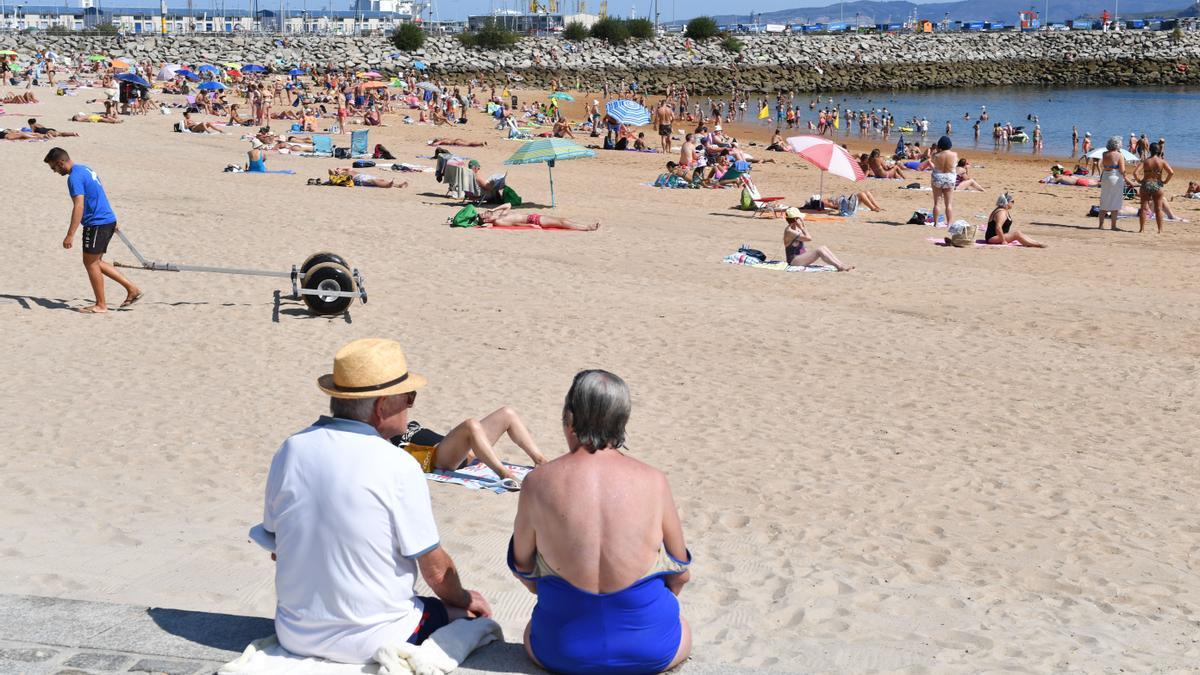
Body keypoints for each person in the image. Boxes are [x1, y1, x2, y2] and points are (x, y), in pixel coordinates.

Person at [261, 338, 493, 664]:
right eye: (409, 398)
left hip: (296, 633)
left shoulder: (291, 449)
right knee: (466, 615)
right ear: (381, 406)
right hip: (375, 639)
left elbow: (274, 543)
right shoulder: (397, 464)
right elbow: (436, 573)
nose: (411, 406)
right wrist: (467, 598)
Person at [510, 370, 692, 674]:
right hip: (650, 650)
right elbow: (680, 572)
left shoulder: (537, 483)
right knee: (681, 627)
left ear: (569, 417)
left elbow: (524, 570)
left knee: (533, 630)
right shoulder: (654, 481)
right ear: (622, 421)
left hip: (562, 650)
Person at [43, 148, 143, 313]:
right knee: (96, 262)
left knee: (90, 262)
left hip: (96, 224)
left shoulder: (74, 178)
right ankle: (132, 289)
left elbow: (79, 205)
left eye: (54, 168)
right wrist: (113, 218)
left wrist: (70, 235)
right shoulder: (85, 169)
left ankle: (101, 305)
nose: (55, 171)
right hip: (107, 220)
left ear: (61, 163)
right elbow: (99, 193)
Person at [393, 406, 547, 490]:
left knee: (507, 413)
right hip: (436, 457)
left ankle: (541, 461)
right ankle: (504, 474)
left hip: (460, 451)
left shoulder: (403, 423)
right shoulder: (381, 437)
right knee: (470, 424)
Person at [782, 208, 854, 271]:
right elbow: (809, 238)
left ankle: (841, 264)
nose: (801, 219)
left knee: (823, 247)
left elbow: (806, 238)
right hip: (794, 261)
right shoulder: (789, 231)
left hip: (801, 257)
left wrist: (801, 227)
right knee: (819, 250)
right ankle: (839, 266)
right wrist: (803, 227)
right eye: (799, 218)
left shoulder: (797, 228)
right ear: (795, 219)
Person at [1131, 142, 1174, 233]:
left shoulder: (1145, 161)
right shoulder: (1162, 161)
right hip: (1157, 184)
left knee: (1143, 207)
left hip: (1146, 184)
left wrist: (1139, 180)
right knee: (1158, 208)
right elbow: (1171, 172)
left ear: (1149, 150)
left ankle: (1142, 229)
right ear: (1159, 151)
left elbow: (1135, 173)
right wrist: (1165, 181)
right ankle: (1160, 230)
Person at [479, 203, 599, 231]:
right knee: (562, 222)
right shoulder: (499, 221)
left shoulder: (500, 214)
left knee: (562, 220)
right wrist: (531, 225)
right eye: (484, 214)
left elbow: (508, 205)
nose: (486, 212)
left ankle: (585, 226)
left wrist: (494, 209)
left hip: (534, 216)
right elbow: (515, 224)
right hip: (533, 220)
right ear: (486, 220)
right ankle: (587, 227)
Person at [1098, 136, 1128, 231]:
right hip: (1115, 177)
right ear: (1118, 145)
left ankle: (1101, 225)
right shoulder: (1120, 155)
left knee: (1104, 200)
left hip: (1106, 176)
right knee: (1115, 201)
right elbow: (1122, 170)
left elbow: (1104, 165)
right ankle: (1113, 226)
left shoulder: (1104, 154)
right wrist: (1126, 176)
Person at [930, 136, 958, 227]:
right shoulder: (954, 155)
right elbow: (955, 164)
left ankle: (936, 223)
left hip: (938, 177)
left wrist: (937, 151)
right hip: (950, 177)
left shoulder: (936, 155)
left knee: (937, 203)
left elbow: (932, 160)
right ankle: (949, 223)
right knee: (948, 203)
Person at [327, 168, 408, 188]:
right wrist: (336, 172)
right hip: (359, 179)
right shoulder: (338, 177)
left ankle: (398, 185)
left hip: (363, 175)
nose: (337, 170)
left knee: (380, 179)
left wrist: (341, 168)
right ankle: (387, 185)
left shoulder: (348, 170)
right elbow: (330, 170)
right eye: (336, 171)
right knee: (373, 181)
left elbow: (349, 167)